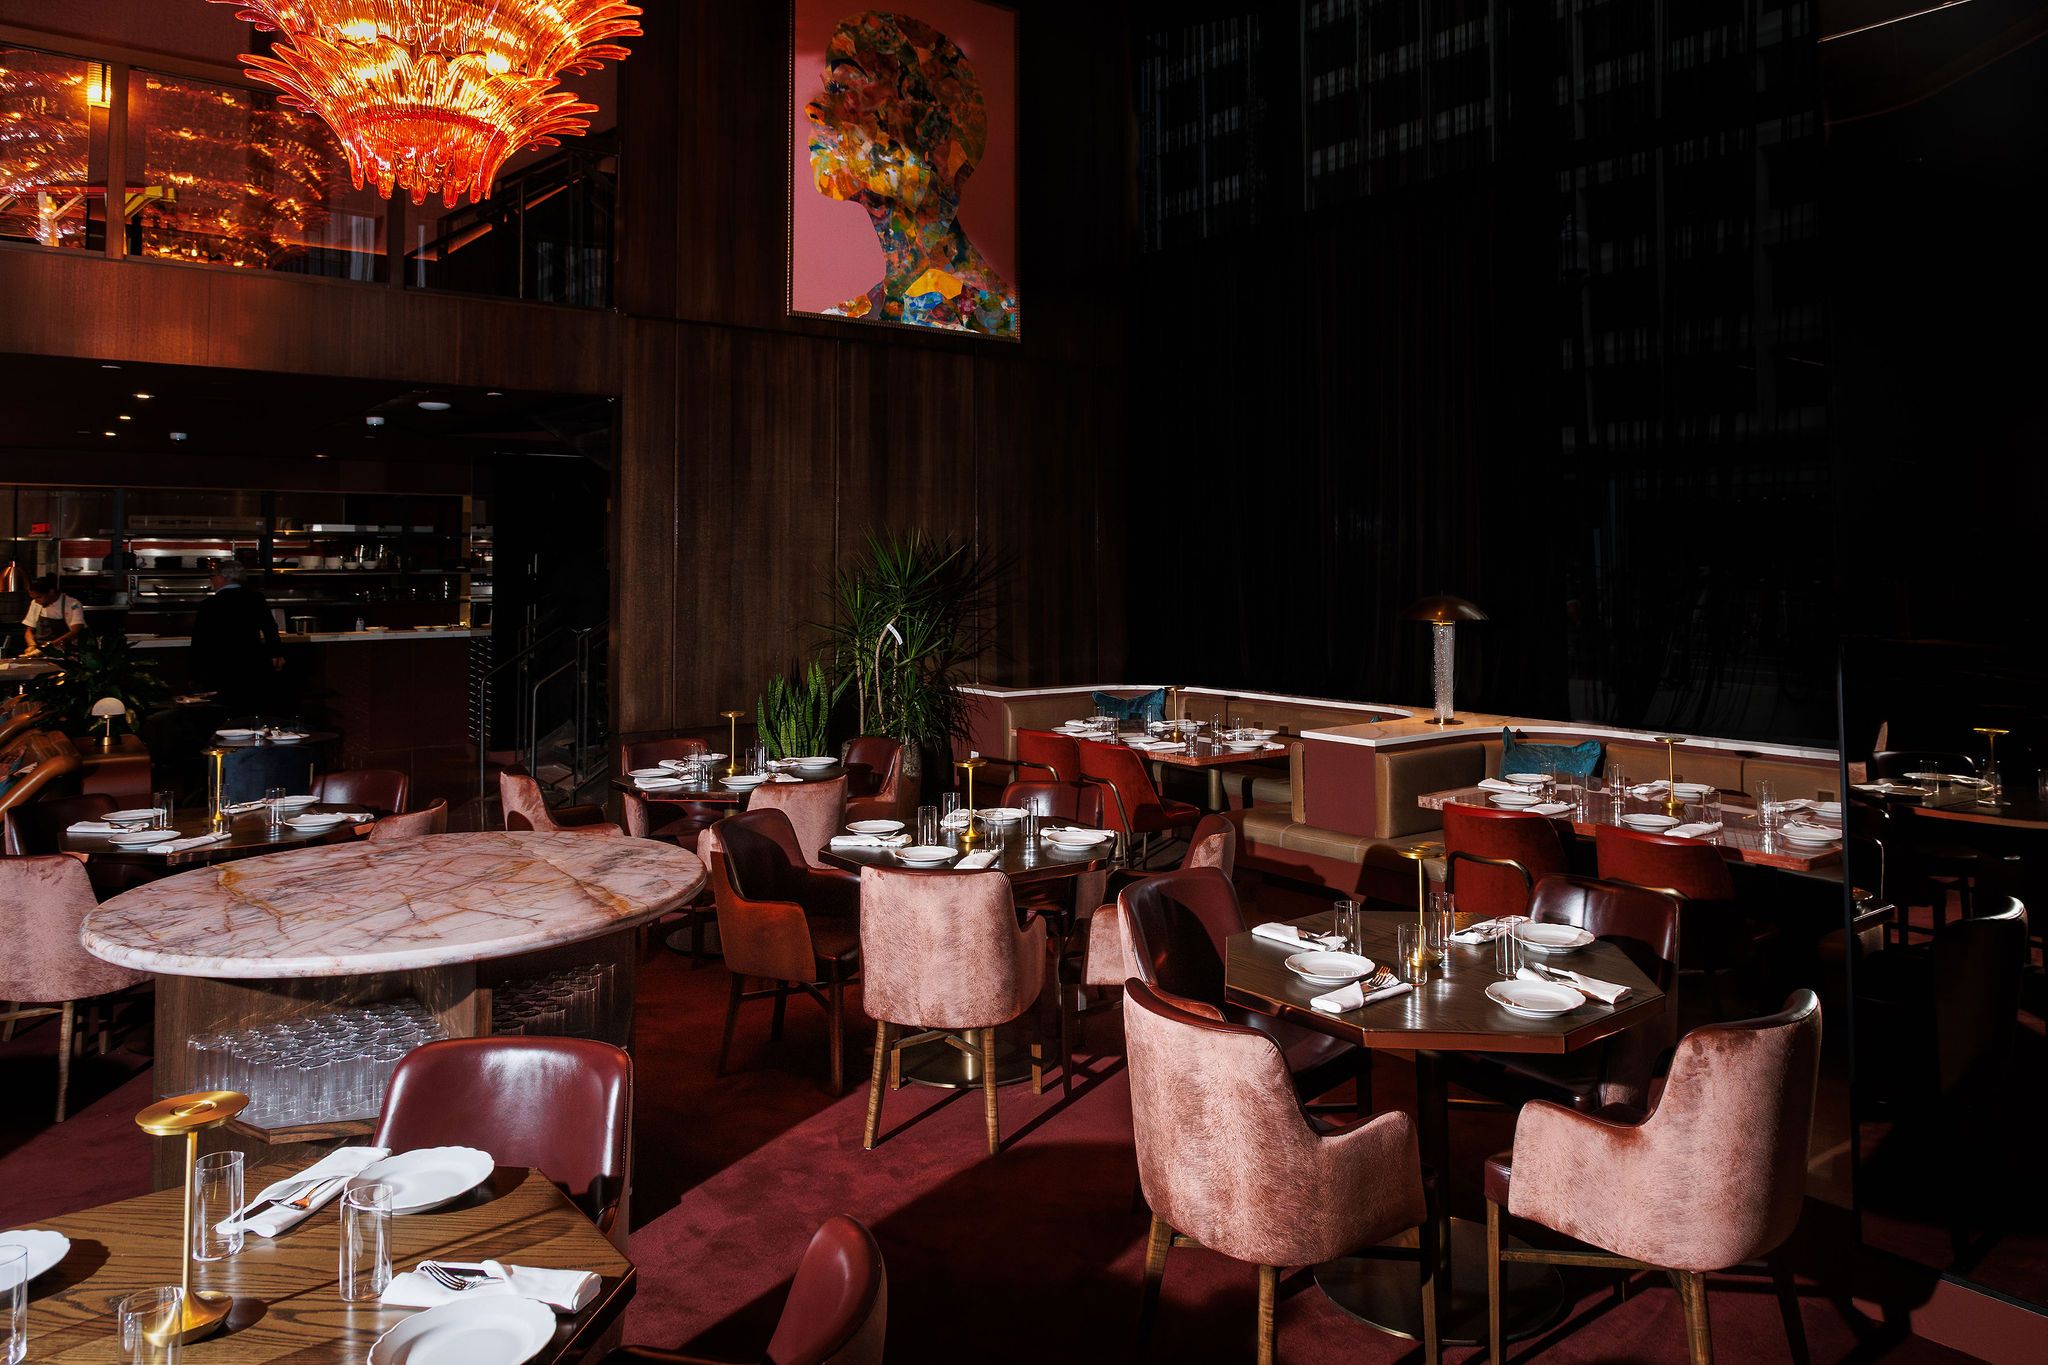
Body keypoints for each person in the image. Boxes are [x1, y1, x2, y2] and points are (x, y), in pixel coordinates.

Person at [804, 12, 1018, 336]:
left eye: (843, 88)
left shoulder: (999, 323)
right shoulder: (849, 318)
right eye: (829, 87)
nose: (815, 109)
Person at [191, 558, 284, 715]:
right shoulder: (255, 598)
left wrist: (194, 673)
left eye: (212, 576)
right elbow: (270, 628)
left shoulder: (210, 604)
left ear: (222, 577)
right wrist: (276, 653)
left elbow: (199, 641)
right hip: (252, 663)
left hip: (220, 666)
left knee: (223, 711)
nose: (212, 580)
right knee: (251, 710)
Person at [20, 575, 85, 655]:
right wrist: (32, 645)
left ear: (51, 592)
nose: (36, 601)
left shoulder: (73, 604)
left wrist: (47, 648)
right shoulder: (35, 603)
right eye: (34, 598)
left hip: (63, 652)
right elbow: (29, 630)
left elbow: (75, 631)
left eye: (39, 597)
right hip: (40, 652)